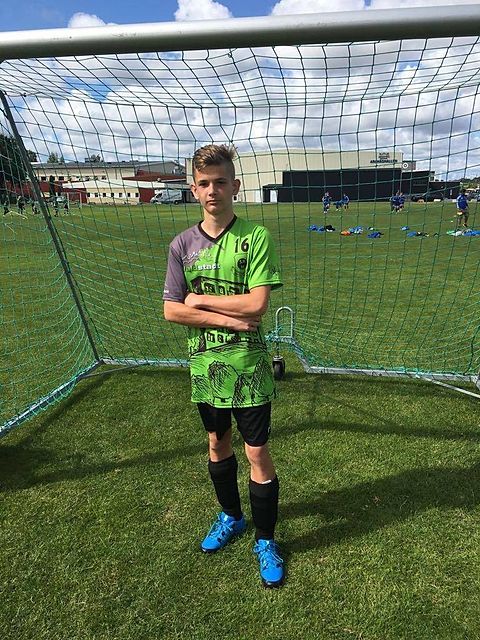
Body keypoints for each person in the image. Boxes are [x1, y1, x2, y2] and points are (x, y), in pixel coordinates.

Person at [163, 144, 285, 588]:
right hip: (204, 366)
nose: (212, 190)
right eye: (204, 183)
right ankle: (231, 516)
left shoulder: (255, 237)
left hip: (248, 366)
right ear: (194, 190)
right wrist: (226, 319)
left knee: (256, 452)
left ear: (235, 186)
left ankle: (266, 540)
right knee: (217, 444)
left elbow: (257, 304)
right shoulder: (181, 245)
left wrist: (198, 299)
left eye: (220, 182)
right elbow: (171, 310)